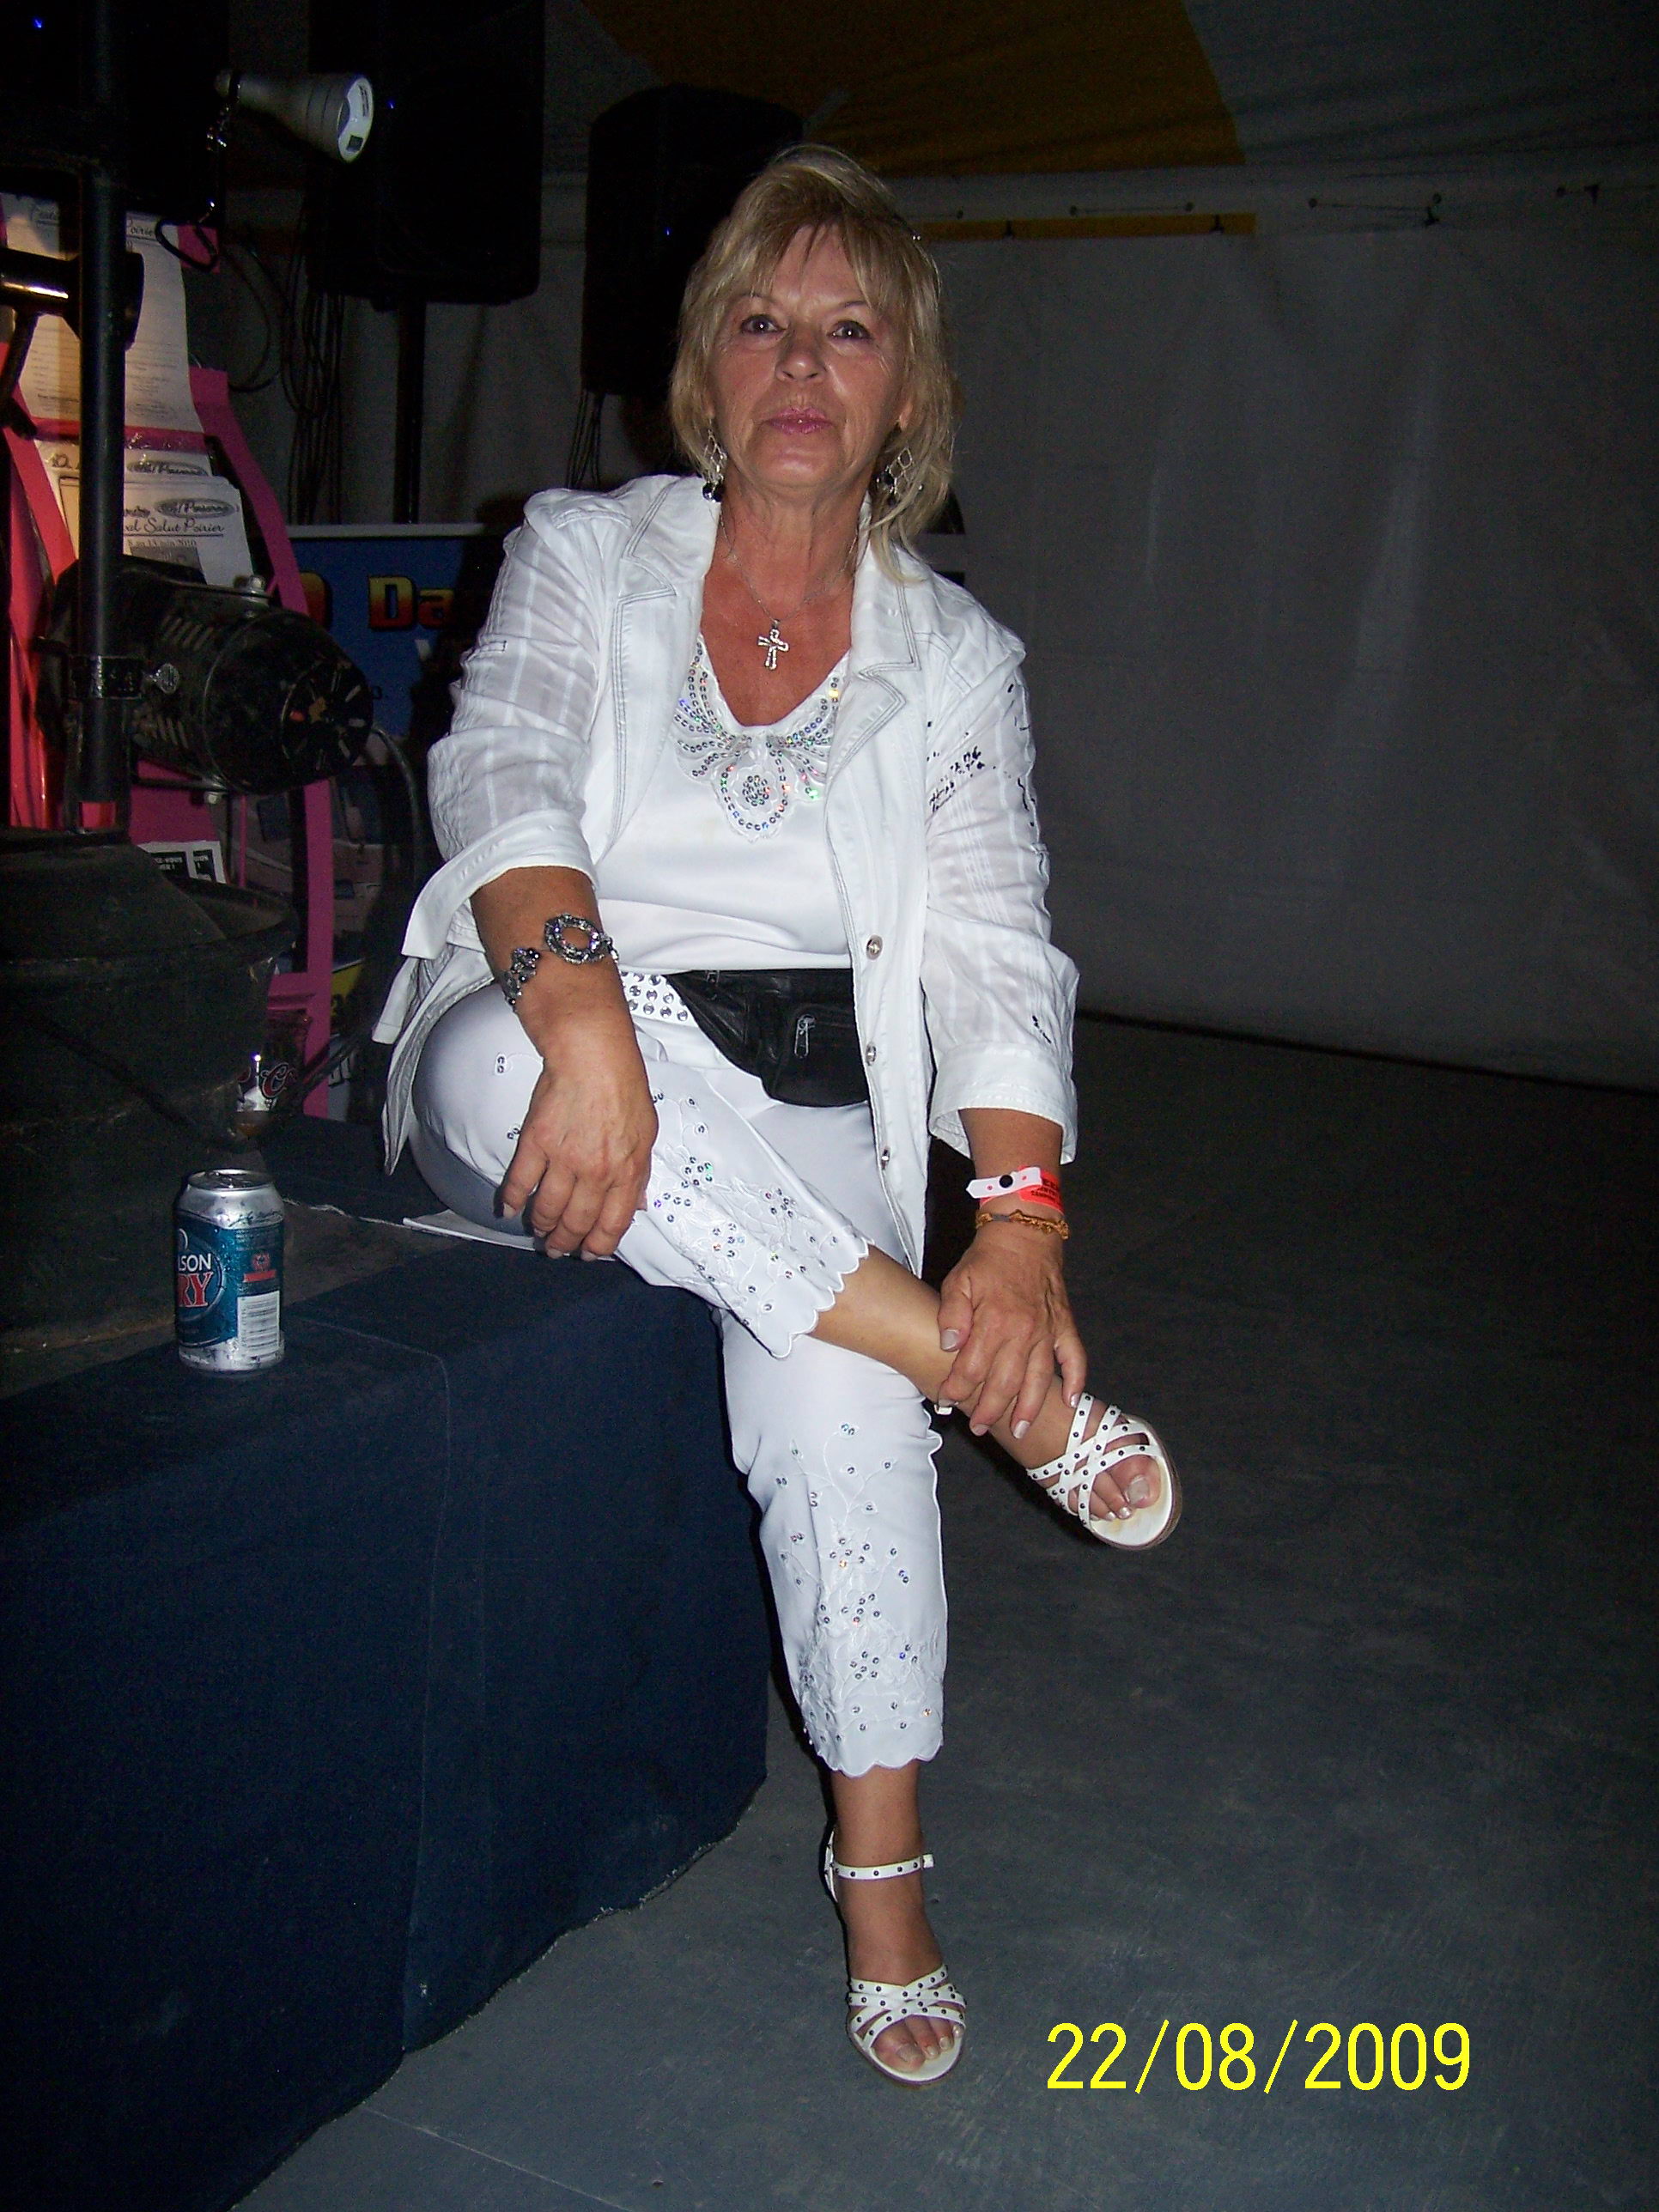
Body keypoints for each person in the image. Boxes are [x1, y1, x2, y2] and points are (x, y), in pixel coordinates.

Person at [374, 145, 1180, 2087]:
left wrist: (1020, 1227)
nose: (803, 362)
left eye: (851, 330)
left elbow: (996, 948)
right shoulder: (587, 554)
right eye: (762, 320)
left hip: (798, 1107)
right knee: (519, 1066)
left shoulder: (954, 661)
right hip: (542, 1032)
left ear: (908, 395)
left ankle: (882, 1876)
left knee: (838, 1402)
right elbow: (497, 767)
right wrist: (588, 1016)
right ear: (706, 372)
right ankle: (962, 1368)